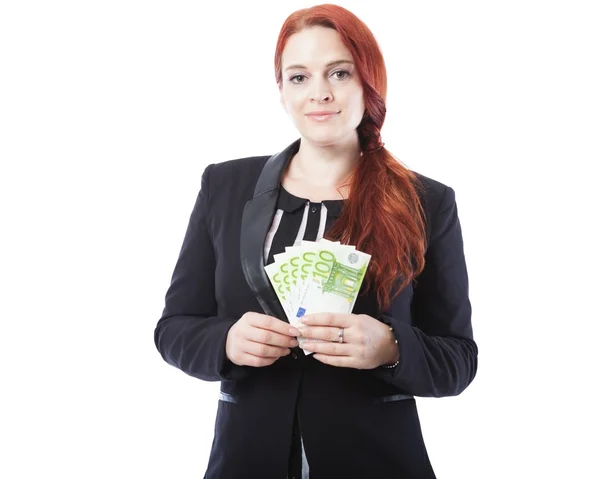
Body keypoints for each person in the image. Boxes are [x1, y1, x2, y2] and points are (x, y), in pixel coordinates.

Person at [153, 4, 478, 478]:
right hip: (246, 461)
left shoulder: (426, 201)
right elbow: (173, 328)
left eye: (339, 73)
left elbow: (459, 359)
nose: (320, 93)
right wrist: (224, 341)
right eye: (299, 77)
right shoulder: (224, 186)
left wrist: (391, 346)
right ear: (281, 92)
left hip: (377, 462)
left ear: (369, 81)